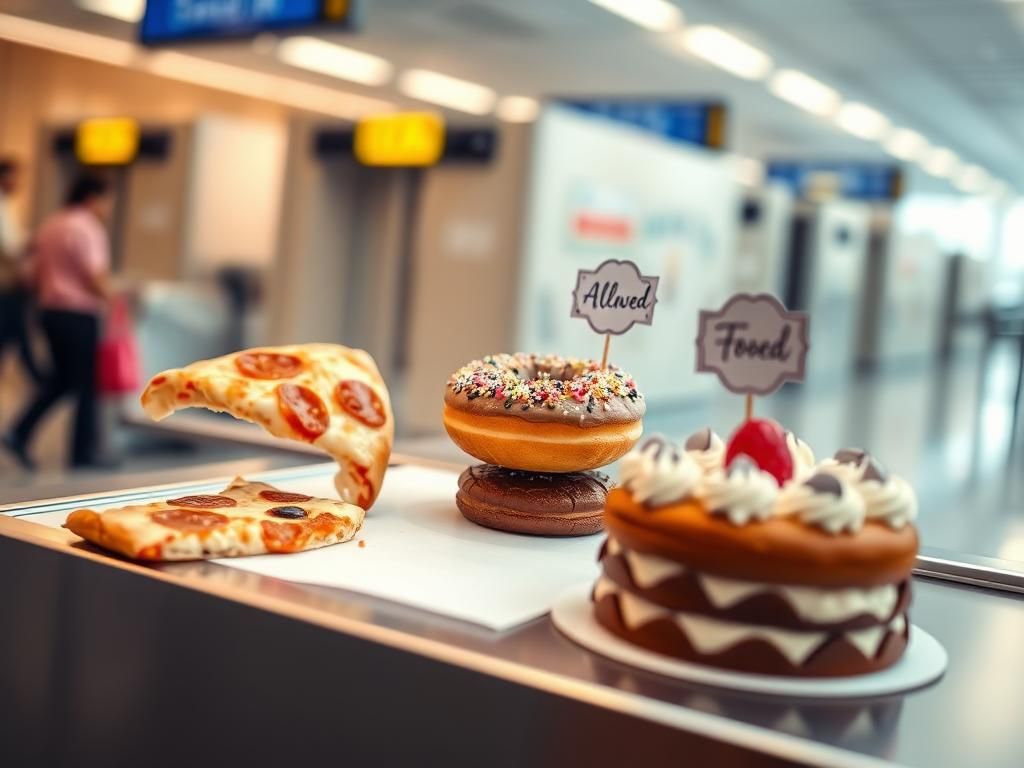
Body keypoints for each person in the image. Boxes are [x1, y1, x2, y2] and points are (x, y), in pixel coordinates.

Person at [3, 173, 113, 470]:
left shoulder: (51, 224)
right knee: (87, 384)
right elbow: (95, 277)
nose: (107, 207)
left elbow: (30, 273)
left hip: (49, 312)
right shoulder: (88, 228)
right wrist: (113, 297)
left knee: (63, 379)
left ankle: (19, 431)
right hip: (79, 314)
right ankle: (83, 453)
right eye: (106, 200)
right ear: (93, 197)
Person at [0, 157, 43, 387]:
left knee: (12, 329)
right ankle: (37, 375)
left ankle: (36, 374)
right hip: (5, 283)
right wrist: (31, 242)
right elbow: (10, 246)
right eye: (15, 177)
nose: (19, 183)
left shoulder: (7, 205)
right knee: (15, 326)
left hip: (9, 284)